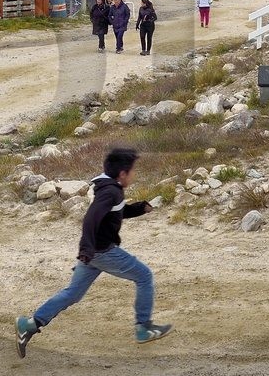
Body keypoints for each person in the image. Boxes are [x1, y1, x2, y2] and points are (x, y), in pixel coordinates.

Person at [15, 148, 171, 357]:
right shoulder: (111, 191)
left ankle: (30, 324)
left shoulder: (108, 187)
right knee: (144, 276)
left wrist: (139, 208)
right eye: (132, 171)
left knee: (73, 294)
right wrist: (88, 249)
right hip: (101, 252)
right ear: (123, 173)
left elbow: (115, 212)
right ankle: (143, 328)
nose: (134, 176)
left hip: (92, 253)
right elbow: (91, 218)